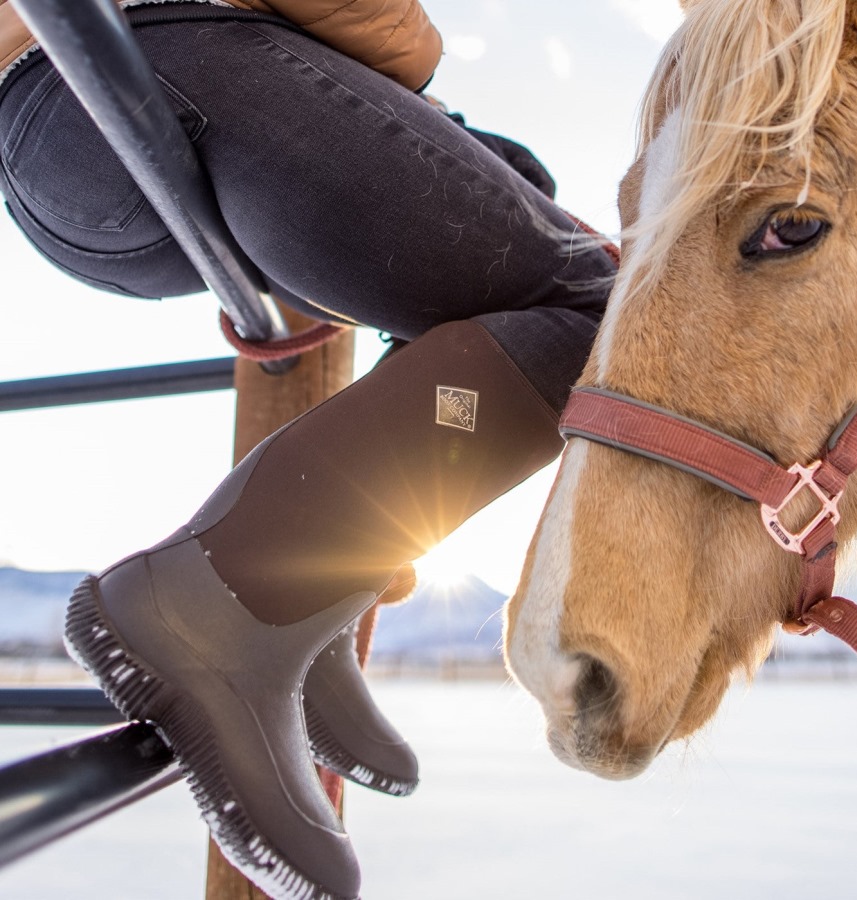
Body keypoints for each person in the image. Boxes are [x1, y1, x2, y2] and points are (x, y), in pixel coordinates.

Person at [0, 1, 617, 898]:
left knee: (517, 193)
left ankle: (316, 584)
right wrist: (420, 50)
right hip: (155, 72)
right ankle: (225, 597)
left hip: (64, 145)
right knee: (604, 309)